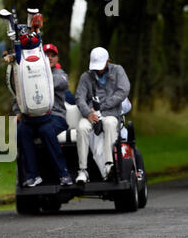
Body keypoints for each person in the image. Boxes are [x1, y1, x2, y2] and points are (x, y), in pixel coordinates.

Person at [14, 43, 73, 187]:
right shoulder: (28, 74)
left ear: (57, 58)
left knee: (46, 130)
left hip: (56, 117)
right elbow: (19, 96)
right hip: (34, 118)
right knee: (22, 130)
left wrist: (38, 76)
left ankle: (64, 173)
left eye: (53, 55)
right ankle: (32, 175)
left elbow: (63, 83)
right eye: (47, 55)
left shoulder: (60, 74)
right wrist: (17, 112)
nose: (50, 58)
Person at [75, 47, 130, 183]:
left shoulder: (118, 70)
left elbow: (123, 91)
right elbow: (79, 98)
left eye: (101, 66)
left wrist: (103, 107)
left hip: (110, 113)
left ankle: (109, 165)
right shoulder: (86, 76)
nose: (98, 70)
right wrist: (88, 113)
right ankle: (83, 170)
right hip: (91, 115)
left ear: (108, 61)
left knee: (110, 123)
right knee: (82, 127)